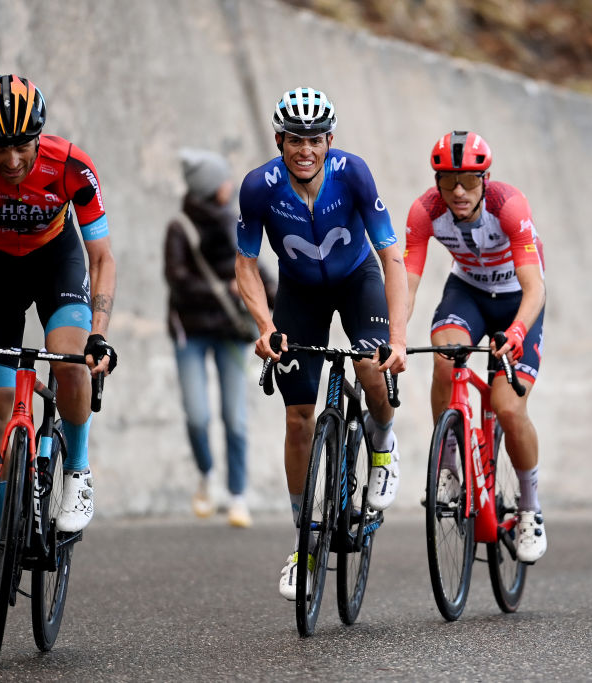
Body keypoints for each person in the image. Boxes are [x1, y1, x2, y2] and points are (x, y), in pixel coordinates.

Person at [0, 75, 117, 611]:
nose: (12, 159)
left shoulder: (70, 164)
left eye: (22, 145)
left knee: (72, 363)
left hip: (54, 263)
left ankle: (78, 469)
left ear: (39, 135)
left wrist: (100, 335)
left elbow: (102, 256)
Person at [235, 86, 408, 599]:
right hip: (300, 294)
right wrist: (265, 328)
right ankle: (306, 542)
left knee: (370, 366)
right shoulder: (258, 187)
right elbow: (245, 265)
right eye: (294, 139)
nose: (304, 149)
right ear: (279, 140)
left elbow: (390, 257)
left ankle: (381, 443)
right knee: (296, 417)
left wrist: (397, 339)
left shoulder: (353, 173)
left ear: (329, 139)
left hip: (358, 281)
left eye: (314, 139)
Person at [404, 130, 549, 563]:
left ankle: (530, 508)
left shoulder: (509, 206)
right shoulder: (424, 211)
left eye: (469, 181)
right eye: (448, 182)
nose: (459, 192)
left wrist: (519, 332)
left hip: (516, 301)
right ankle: (449, 465)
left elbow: (534, 288)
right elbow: (407, 285)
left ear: (486, 179)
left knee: (508, 408)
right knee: (445, 361)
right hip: (466, 292)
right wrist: (392, 334)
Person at [164, 148, 275, 528]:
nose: (231, 184)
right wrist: (226, 292)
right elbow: (178, 282)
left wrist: (283, 302)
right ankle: (207, 477)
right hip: (190, 330)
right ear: (212, 188)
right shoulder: (181, 227)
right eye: (224, 179)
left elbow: (255, 271)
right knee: (197, 416)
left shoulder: (234, 223)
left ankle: (238, 496)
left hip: (231, 332)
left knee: (235, 418)